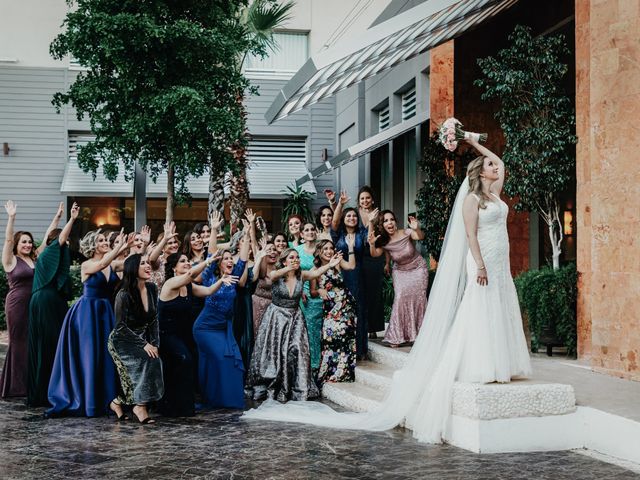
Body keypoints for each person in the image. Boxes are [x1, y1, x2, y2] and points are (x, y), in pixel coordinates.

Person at [242, 132, 532, 444]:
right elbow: (472, 236)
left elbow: (501, 161)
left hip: (501, 263)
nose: (496, 168)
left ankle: (503, 361)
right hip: (483, 260)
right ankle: (480, 362)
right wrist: (481, 264)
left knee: (499, 306)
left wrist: (471, 141)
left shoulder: (496, 195)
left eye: (494, 166)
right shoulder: (472, 200)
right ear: (479, 173)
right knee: (479, 308)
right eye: (489, 165)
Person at [47, 229, 134, 417]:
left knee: (107, 354)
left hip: (105, 312)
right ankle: (90, 401)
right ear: (92, 245)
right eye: (101, 240)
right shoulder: (87, 264)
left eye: (105, 240)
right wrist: (119, 246)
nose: (105, 242)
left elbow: (131, 264)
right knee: (90, 354)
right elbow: (103, 262)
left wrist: (131, 246)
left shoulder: (112, 265)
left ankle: (109, 400)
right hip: (87, 312)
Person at [245, 248, 342, 402]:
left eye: (297, 257)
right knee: (275, 353)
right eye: (291, 257)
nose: (296, 259)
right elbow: (273, 275)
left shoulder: (301, 275)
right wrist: (287, 268)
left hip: (295, 318)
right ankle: (273, 384)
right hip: (276, 318)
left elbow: (316, 274)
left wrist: (330, 264)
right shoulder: (277, 274)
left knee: (296, 350)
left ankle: (294, 387)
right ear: (284, 261)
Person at [158, 252, 230, 417]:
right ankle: (170, 406)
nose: (187, 263)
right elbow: (191, 274)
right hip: (167, 335)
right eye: (182, 261)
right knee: (184, 361)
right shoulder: (170, 283)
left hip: (184, 334)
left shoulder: (189, 286)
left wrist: (221, 280)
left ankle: (184, 407)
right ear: (174, 267)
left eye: (187, 260)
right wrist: (208, 261)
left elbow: (209, 291)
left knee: (189, 364)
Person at [193, 214, 249, 409]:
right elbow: (211, 254)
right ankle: (215, 398)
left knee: (234, 360)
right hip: (206, 327)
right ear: (219, 262)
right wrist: (214, 229)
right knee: (220, 359)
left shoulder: (234, 276)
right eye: (225, 258)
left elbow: (243, 258)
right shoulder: (209, 277)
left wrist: (248, 233)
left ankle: (228, 400)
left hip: (223, 326)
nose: (230, 260)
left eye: (230, 258)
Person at [27, 203, 79, 407]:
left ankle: (49, 388)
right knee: (49, 345)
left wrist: (57, 217)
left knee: (49, 345)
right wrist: (72, 220)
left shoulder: (43, 253)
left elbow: (53, 235)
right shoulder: (49, 252)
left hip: (49, 301)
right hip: (46, 302)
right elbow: (60, 238)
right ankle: (46, 391)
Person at [108, 254, 164, 424]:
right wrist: (144, 344)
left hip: (141, 338)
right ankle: (140, 407)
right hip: (121, 341)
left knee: (155, 359)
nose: (148, 266)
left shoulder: (152, 288)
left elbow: (154, 319)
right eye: (143, 263)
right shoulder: (123, 294)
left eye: (148, 263)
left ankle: (117, 402)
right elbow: (120, 327)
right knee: (147, 361)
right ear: (133, 268)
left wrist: (155, 344)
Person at [368, 209, 428, 347]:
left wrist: (416, 228)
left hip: (418, 269)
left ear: (395, 221)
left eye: (391, 219)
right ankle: (398, 335)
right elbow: (375, 254)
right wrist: (371, 244)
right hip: (400, 271)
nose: (389, 223)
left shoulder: (406, 233)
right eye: (385, 221)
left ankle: (419, 334)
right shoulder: (384, 241)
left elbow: (420, 237)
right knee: (400, 297)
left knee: (419, 298)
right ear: (382, 225)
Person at [1, 200, 39, 398]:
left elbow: (50, 242)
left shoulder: (33, 259)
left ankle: (28, 382)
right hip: (16, 305)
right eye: (23, 241)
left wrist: (59, 218)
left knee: (31, 341)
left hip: (32, 305)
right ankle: (15, 387)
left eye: (30, 241)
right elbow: (7, 240)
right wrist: (11, 217)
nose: (28, 244)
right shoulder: (10, 260)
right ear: (17, 244)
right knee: (18, 342)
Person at [312, 239, 357, 383]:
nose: (329, 251)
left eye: (331, 248)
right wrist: (319, 290)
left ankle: (344, 371)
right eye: (325, 249)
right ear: (319, 252)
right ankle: (330, 370)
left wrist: (350, 247)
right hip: (331, 309)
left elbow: (351, 266)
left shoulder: (337, 262)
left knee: (346, 339)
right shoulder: (315, 270)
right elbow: (313, 291)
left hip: (346, 305)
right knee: (331, 338)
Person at [330, 191, 368, 358]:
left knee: (359, 310)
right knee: (343, 310)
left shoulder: (361, 233)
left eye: (354, 216)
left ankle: (360, 350)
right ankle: (344, 348)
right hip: (341, 273)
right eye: (349, 216)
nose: (352, 218)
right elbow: (335, 221)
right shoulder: (338, 234)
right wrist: (341, 204)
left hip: (359, 274)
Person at [356, 186, 388, 339]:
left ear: (372, 199)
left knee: (373, 293)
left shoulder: (379, 215)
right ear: (359, 201)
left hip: (374, 256)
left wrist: (387, 262)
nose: (365, 200)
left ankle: (373, 328)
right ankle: (361, 325)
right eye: (362, 198)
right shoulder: (354, 214)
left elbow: (385, 240)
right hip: (357, 256)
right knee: (360, 291)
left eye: (367, 197)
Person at [294, 223, 324, 373]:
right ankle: (312, 364)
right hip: (304, 294)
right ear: (301, 234)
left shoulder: (321, 249)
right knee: (308, 330)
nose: (310, 232)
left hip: (321, 292)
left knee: (321, 330)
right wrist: (299, 291)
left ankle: (323, 363)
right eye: (306, 230)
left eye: (313, 229)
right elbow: (293, 273)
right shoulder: (297, 251)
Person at [251, 239, 276, 334]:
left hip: (274, 307)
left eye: (274, 249)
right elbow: (262, 275)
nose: (273, 252)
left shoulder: (280, 267)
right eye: (269, 250)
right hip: (259, 306)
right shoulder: (260, 267)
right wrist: (262, 255)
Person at [149, 222, 180, 290]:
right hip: (158, 298)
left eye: (175, 242)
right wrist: (165, 239)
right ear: (162, 248)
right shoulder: (160, 260)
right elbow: (151, 260)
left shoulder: (180, 260)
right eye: (170, 243)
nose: (174, 245)